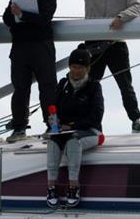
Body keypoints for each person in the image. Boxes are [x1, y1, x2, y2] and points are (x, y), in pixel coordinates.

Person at [55, 0, 140, 133]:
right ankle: (88, 124)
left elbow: (138, 6)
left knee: (125, 84)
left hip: (116, 43)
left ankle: (136, 120)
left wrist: (122, 17)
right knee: (88, 85)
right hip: (93, 43)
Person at [2, 0, 58, 143]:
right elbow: (7, 18)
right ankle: (19, 127)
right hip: (20, 46)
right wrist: (16, 15)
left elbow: (44, 19)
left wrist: (23, 15)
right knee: (20, 88)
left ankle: (52, 125)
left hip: (41, 45)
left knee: (47, 86)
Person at [45, 46, 104, 209]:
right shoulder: (63, 84)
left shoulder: (94, 87)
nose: (76, 71)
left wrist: (70, 126)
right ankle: (51, 188)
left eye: (80, 67)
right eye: (74, 67)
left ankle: (74, 187)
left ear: (88, 68)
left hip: (90, 131)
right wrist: (52, 122)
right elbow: (53, 107)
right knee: (52, 143)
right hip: (64, 131)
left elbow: (96, 117)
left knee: (73, 142)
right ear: (69, 67)